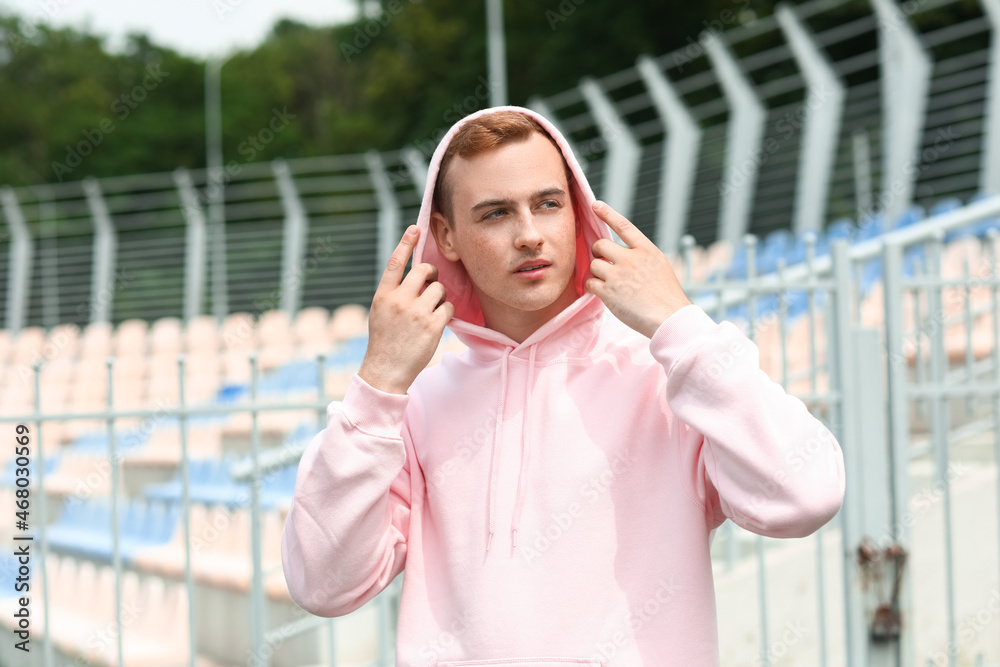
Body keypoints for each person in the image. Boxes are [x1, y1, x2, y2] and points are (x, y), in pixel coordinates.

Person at [280, 106, 846, 666]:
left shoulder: (668, 378)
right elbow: (324, 585)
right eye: (496, 214)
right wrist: (377, 382)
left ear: (577, 213)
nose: (529, 235)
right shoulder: (412, 407)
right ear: (446, 237)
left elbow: (806, 496)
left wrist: (682, 327)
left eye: (548, 205)